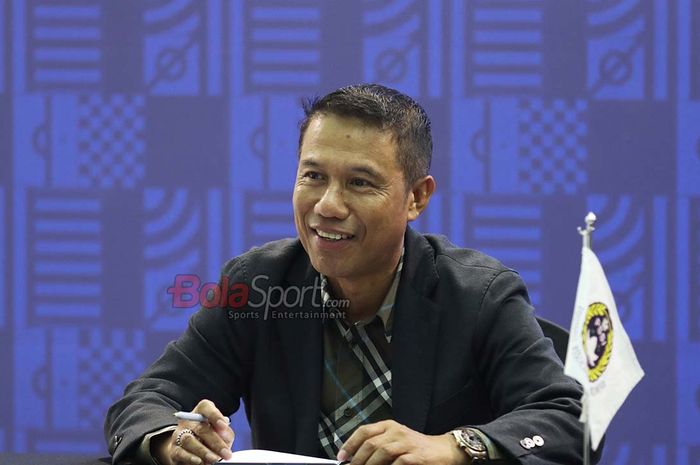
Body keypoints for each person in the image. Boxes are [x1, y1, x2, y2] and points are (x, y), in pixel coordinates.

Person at [105, 84, 601, 465]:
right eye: (313, 176)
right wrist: (170, 437)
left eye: (360, 183)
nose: (327, 205)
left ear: (416, 197)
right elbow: (148, 401)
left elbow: (568, 419)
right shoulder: (258, 284)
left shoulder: (479, 294)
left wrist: (455, 446)